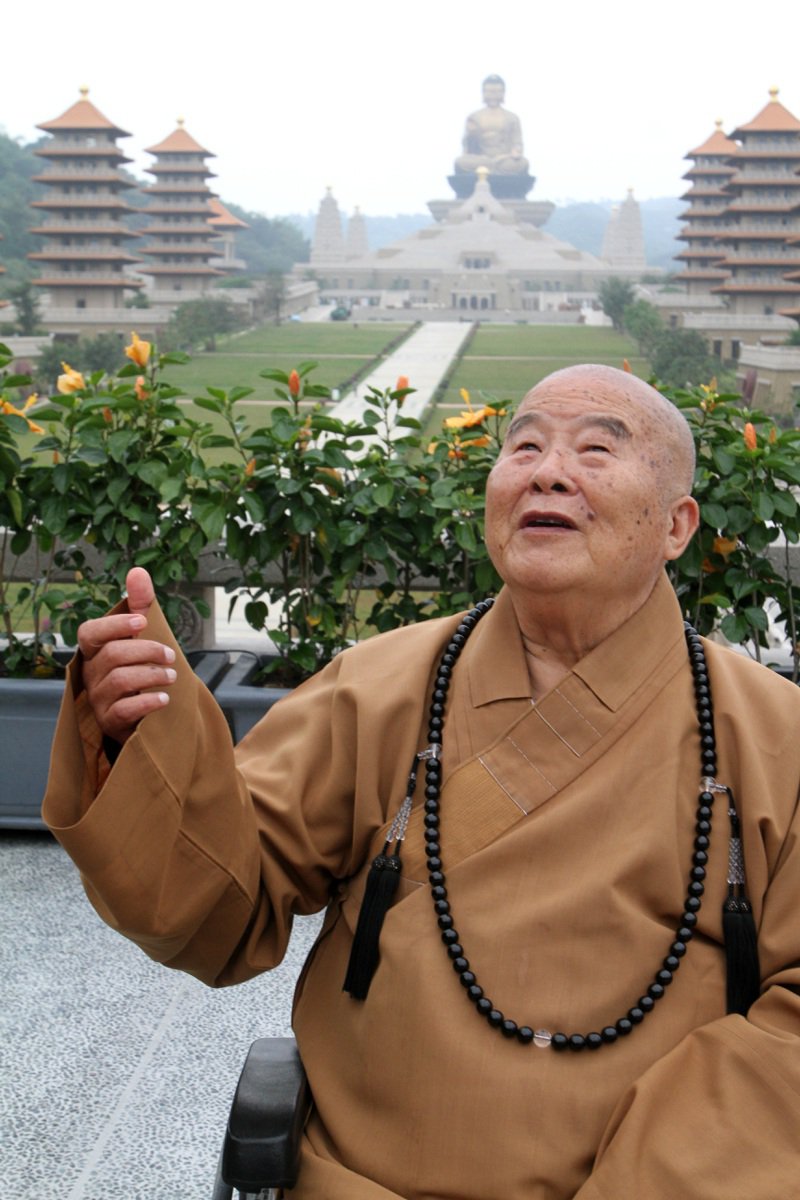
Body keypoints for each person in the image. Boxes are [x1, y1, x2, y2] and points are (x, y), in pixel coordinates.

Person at [44, 364, 800, 1199]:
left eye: (595, 449)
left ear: (677, 524)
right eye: (525, 445)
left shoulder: (773, 737)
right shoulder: (378, 688)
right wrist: (142, 736)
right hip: (366, 1182)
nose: (549, 470)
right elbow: (221, 901)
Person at [455, 74, 530, 176]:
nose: (493, 95)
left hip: (504, 160)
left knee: (523, 163)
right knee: (460, 162)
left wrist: (516, 151)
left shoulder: (512, 118)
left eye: (497, 92)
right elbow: (468, 149)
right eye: (490, 91)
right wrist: (471, 135)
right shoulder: (474, 117)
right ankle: (491, 167)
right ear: (483, 93)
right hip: (481, 160)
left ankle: (491, 167)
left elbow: (517, 141)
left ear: (503, 93)